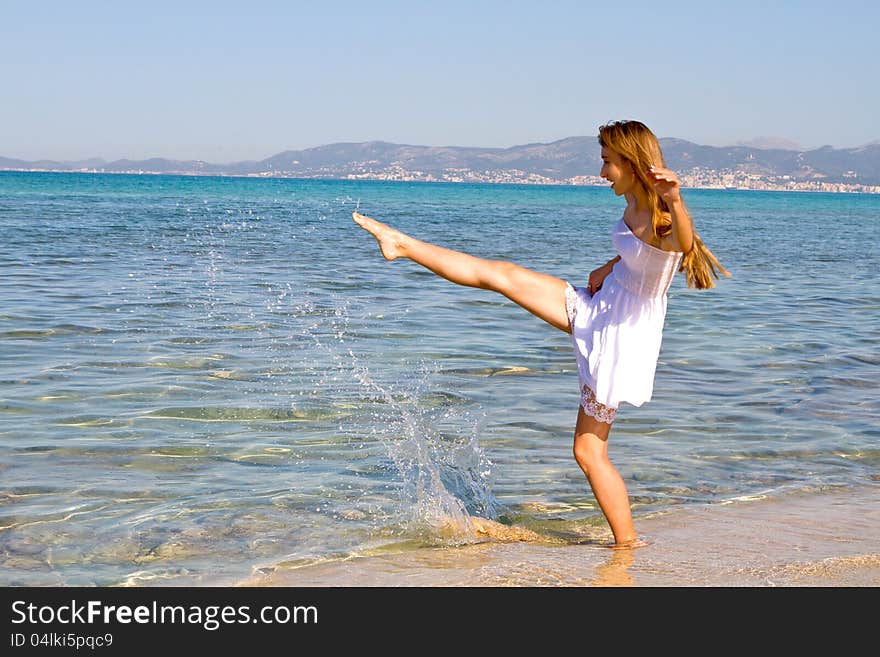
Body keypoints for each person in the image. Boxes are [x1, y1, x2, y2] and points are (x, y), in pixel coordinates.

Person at [353, 120, 729, 548]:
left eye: (608, 162)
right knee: (502, 275)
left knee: (589, 452)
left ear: (631, 162)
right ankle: (401, 244)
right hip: (601, 306)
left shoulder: (663, 214)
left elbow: (680, 244)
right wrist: (608, 268)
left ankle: (627, 545)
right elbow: (638, 257)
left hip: (620, 337)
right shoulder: (635, 206)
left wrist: (676, 200)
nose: (602, 172)